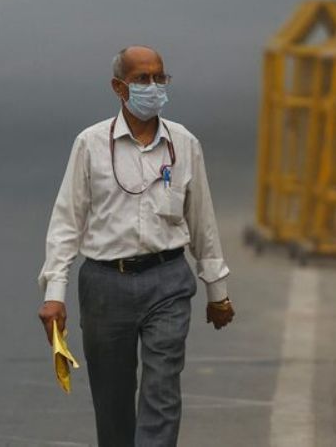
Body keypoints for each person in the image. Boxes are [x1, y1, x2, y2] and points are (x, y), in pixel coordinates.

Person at [37, 45, 235, 447]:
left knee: (163, 389)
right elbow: (66, 222)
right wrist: (54, 294)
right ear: (119, 87)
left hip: (168, 281)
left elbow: (203, 220)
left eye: (159, 78)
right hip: (105, 284)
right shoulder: (90, 144)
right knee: (112, 401)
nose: (153, 86)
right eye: (142, 79)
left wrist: (218, 291)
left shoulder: (184, 144)